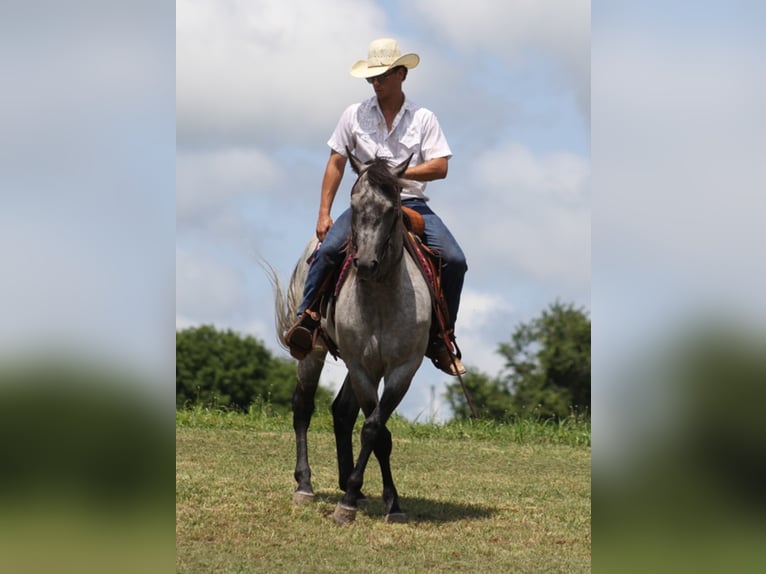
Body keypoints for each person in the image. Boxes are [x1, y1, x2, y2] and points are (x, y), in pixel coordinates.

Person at [285, 38, 467, 376]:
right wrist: (323, 212)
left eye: (382, 75)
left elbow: (440, 166)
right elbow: (336, 162)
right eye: (372, 77)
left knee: (455, 261)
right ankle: (307, 320)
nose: (375, 82)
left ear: (401, 74)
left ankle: (442, 338)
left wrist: (394, 176)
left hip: (410, 202)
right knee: (325, 254)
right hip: (366, 207)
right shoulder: (353, 115)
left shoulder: (423, 118)